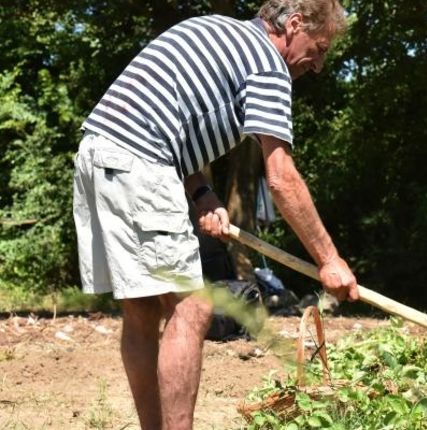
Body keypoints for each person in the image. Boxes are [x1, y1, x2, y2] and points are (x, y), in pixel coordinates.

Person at [72, 1, 357, 428]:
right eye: (318, 48)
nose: (317, 65)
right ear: (294, 24)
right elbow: (281, 178)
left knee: (144, 309)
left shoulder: (219, 31)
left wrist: (201, 191)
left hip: (100, 153)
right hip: (140, 161)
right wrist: (329, 260)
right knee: (195, 308)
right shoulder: (267, 65)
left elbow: (167, 119)